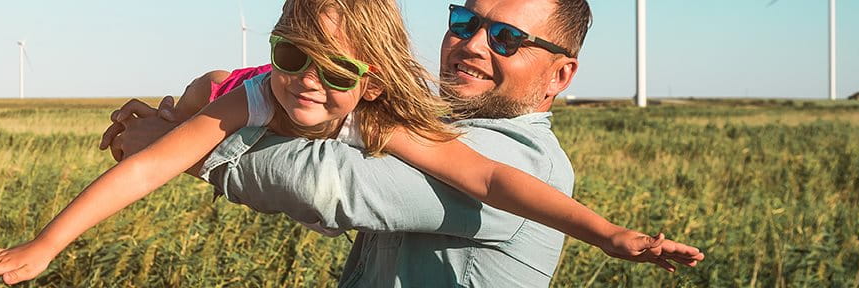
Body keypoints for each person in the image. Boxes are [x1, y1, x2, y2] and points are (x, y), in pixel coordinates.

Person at [99, 0, 703, 286]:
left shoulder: (521, 162)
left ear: (560, 74)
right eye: (464, 22)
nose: (472, 45)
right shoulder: (430, 131)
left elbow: (326, 183)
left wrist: (180, 145)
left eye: (506, 38)